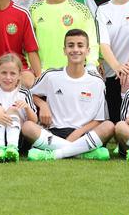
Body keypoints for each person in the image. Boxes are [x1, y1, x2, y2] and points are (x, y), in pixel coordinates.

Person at [24, 29, 114, 162]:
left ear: (87, 50)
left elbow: (99, 120)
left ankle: (55, 153)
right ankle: (82, 152)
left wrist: (77, 134)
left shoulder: (97, 81)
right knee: (27, 127)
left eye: (80, 45)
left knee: (109, 126)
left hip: (83, 133)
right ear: (64, 50)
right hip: (55, 132)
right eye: (71, 45)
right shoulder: (51, 76)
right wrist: (43, 104)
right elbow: (28, 94)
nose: (75, 49)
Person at [29, 0, 99, 71]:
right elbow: (27, 47)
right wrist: (32, 69)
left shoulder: (81, 10)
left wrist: (91, 66)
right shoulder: (33, 10)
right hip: (42, 75)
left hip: (74, 74)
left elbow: (91, 41)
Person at [0, 53, 37, 162]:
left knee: (13, 110)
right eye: (4, 73)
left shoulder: (24, 93)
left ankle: (12, 147)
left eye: (12, 73)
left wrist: (27, 108)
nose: (8, 77)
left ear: (19, 75)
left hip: (20, 140)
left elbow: (34, 120)